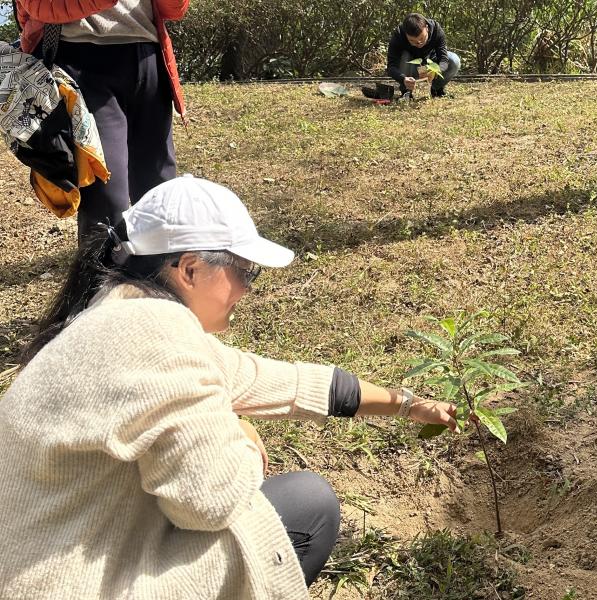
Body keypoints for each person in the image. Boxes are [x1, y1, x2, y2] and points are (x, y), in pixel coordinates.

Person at [0, 176, 459, 599]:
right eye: (245, 272)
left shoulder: (118, 314)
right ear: (190, 269)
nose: (247, 289)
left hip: (56, 566)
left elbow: (281, 380)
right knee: (308, 507)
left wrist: (408, 405)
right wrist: (239, 430)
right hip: (78, 585)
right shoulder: (158, 338)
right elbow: (212, 503)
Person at [15, 0, 190, 239]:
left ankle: (159, 272)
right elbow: (38, 6)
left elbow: (175, 9)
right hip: (79, 57)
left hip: (148, 54)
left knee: (159, 187)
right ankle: (102, 274)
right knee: (106, 202)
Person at [386, 13, 461, 99]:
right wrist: (403, 79)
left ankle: (435, 90)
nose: (418, 43)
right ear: (405, 34)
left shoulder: (436, 29)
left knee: (454, 60)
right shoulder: (398, 35)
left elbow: (443, 59)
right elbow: (391, 67)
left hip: (431, 64)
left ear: (427, 28)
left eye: (422, 38)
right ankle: (407, 92)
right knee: (405, 55)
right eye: (412, 41)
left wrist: (435, 71)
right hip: (410, 68)